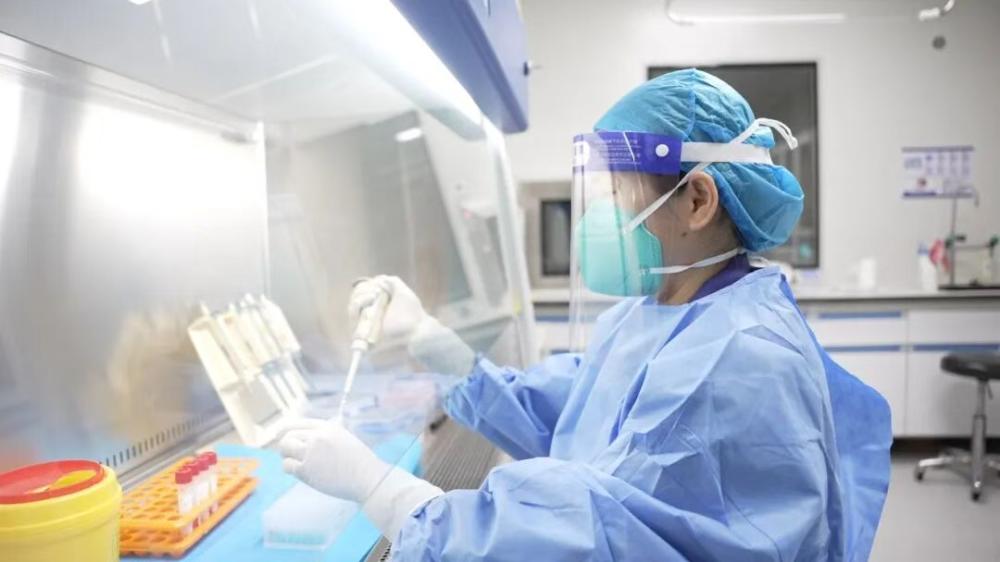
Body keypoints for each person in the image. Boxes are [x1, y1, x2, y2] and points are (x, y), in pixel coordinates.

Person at [278, 69, 892, 561]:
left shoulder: (737, 359)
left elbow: (594, 534)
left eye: (619, 191)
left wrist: (387, 493)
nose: (603, 213)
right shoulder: (651, 316)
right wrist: (425, 334)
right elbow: (561, 415)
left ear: (697, 201)